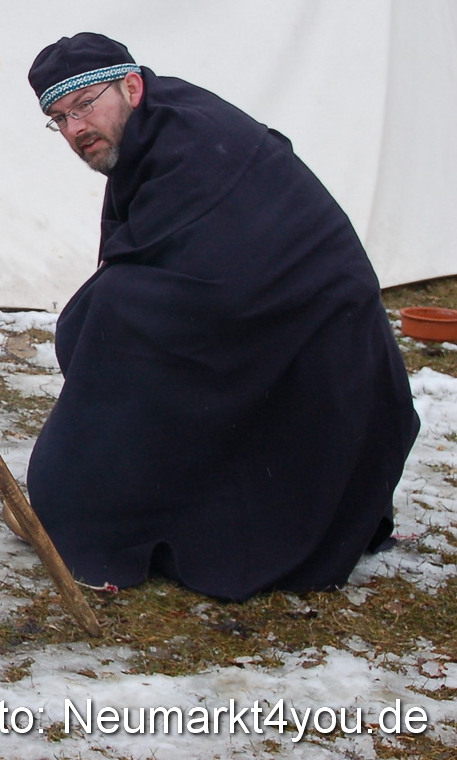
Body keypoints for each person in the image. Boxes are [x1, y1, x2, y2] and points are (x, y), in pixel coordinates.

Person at [23, 33, 419, 600]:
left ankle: (116, 515)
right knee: (110, 314)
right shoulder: (155, 129)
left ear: (131, 87)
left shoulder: (193, 140)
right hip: (280, 307)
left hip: (317, 323)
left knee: (113, 319)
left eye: (85, 105)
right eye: (59, 118)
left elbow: (217, 265)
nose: (75, 129)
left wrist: (96, 319)